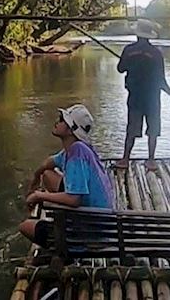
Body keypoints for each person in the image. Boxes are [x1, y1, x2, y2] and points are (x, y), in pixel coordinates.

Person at [17, 103, 115, 246]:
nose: (57, 122)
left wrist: (39, 195)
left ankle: (64, 248)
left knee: (24, 226)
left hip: (90, 230)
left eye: (62, 120)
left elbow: (74, 199)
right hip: (96, 218)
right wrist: (36, 177)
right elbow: (47, 164)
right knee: (47, 175)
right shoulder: (75, 148)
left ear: (71, 130)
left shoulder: (77, 152)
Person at [115, 19, 170, 171]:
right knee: (153, 129)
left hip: (135, 97)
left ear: (137, 34)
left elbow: (120, 69)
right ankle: (151, 160)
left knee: (132, 128)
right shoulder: (156, 53)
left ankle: (125, 159)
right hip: (152, 98)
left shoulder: (128, 50)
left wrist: (129, 62)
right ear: (149, 35)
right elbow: (161, 79)